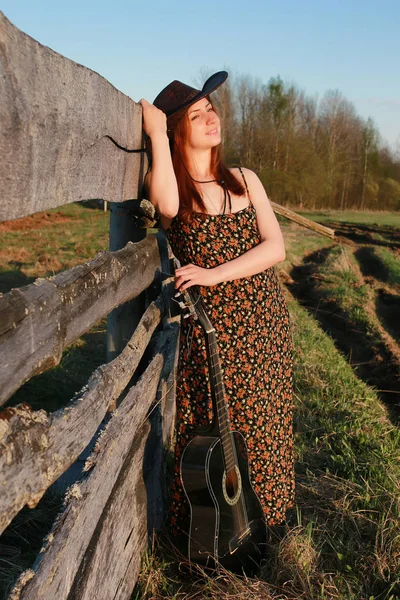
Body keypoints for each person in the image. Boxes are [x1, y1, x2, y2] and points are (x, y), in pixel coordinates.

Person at [140, 71, 294, 539]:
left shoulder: (246, 179)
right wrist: (154, 134)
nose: (212, 117)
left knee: (268, 425)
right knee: (222, 431)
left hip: (265, 322)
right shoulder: (174, 188)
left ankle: (267, 527)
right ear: (177, 130)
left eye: (211, 108)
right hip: (218, 335)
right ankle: (218, 535)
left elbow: (276, 248)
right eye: (197, 114)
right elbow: (164, 201)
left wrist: (212, 274)